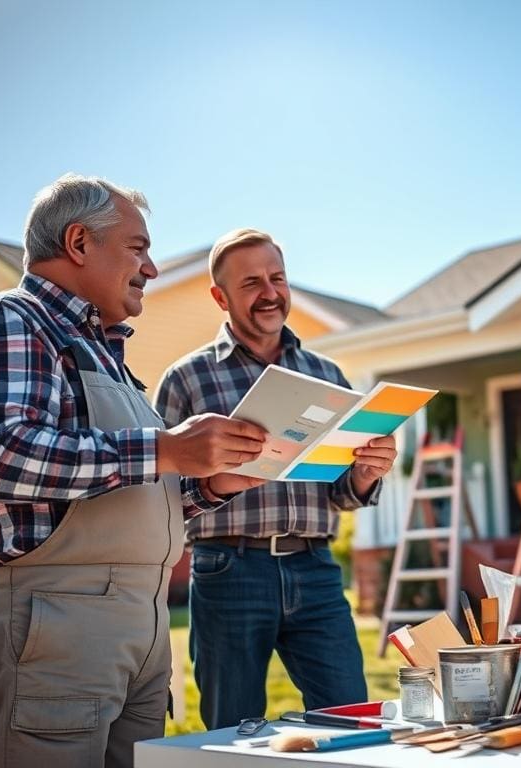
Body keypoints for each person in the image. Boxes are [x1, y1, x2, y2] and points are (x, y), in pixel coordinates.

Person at [0, 174, 269, 768]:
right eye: (138, 248)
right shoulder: (11, 321)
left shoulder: (106, 354)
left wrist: (207, 485)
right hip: (55, 623)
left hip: (136, 628)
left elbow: (125, 489)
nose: (150, 269)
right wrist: (166, 451)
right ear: (78, 242)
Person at [154, 228, 397, 729]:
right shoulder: (186, 379)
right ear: (220, 297)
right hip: (228, 570)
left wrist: (367, 474)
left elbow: (341, 493)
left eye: (277, 278)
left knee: (352, 718)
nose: (269, 292)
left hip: (316, 570)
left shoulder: (326, 374)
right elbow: (158, 498)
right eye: (251, 283)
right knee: (233, 731)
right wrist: (214, 480)